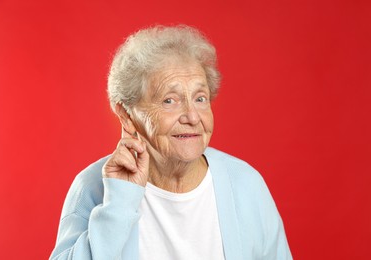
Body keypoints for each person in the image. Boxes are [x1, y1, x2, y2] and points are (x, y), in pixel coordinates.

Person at [50, 25, 292, 260]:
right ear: (126, 114)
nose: (192, 116)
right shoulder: (93, 187)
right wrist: (119, 202)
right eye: (169, 100)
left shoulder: (245, 184)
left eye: (200, 98)